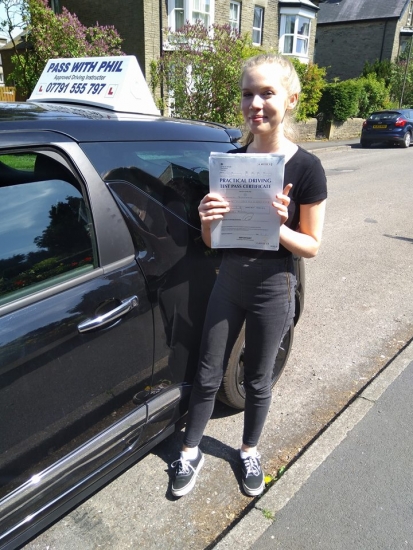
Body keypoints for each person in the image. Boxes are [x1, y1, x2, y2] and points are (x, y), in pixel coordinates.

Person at [170, 53, 327, 498]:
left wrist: (280, 228)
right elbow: (212, 242)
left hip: (275, 285)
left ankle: (249, 449)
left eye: (266, 93)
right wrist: (206, 218)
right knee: (207, 370)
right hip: (230, 279)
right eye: (247, 94)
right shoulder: (231, 162)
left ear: (290, 99)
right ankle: (191, 450)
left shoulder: (306, 168)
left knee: (257, 378)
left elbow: (312, 247)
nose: (255, 103)